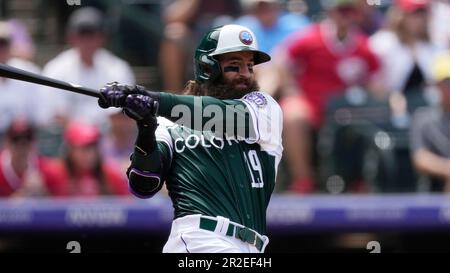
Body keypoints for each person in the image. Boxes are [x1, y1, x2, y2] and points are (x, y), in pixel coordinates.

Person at [98, 24, 283, 253]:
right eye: (234, 65)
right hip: (200, 240)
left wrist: (151, 99)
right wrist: (146, 126)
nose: (245, 74)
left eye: (250, 66)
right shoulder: (168, 125)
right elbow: (143, 186)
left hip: (251, 247)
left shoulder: (265, 109)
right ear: (208, 68)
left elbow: (214, 114)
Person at [275, 0, 380, 193]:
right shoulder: (311, 38)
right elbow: (281, 62)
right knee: (292, 114)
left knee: (373, 112)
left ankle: (360, 179)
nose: (346, 16)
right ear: (332, 12)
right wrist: (291, 89)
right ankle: (303, 179)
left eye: (351, 12)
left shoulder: (363, 46)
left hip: (347, 109)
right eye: (342, 11)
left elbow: (375, 79)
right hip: (312, 103)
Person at [42, 7, 135, 127]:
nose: (86, 40)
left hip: (107, 137)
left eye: (91, 34)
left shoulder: (118, 68)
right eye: (81, 34)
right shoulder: (56, 68)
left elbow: (123, 113)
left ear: (102, 37)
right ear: (71, 37)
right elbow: (53, 113)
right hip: (68, 138)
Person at [410, 52, 450, 193]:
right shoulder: (423, 118)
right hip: (436, 190)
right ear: (437, 85)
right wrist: (447, 170)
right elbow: (420, 158)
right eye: (448, 81)